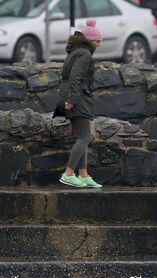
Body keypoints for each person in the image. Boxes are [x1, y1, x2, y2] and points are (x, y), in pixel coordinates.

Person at [57, 18, 103, 188]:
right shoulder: (84, 53)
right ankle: (68, 173)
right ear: (89, 40)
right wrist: (72, 100)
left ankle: (83, 175)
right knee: (84, 137)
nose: (99, 44)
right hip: (77, 98)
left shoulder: (75, 52)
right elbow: (76, 77)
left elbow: (68, 78)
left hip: (72, 97)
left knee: (83, 136)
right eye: (97, 41)